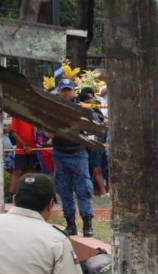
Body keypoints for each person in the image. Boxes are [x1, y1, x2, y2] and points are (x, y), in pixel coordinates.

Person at [51, 78, 96, 236]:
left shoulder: (81, 109)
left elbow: (93, 128)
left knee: (83, 189)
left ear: (73, 91)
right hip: (60, 152)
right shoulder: (53, 109)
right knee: (64, 190)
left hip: (78, 152)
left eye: (68, 89)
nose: (66, 93)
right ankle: (71, 224)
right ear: (59, 91)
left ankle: (87, 224)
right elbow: (44, 129)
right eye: (63, 90)